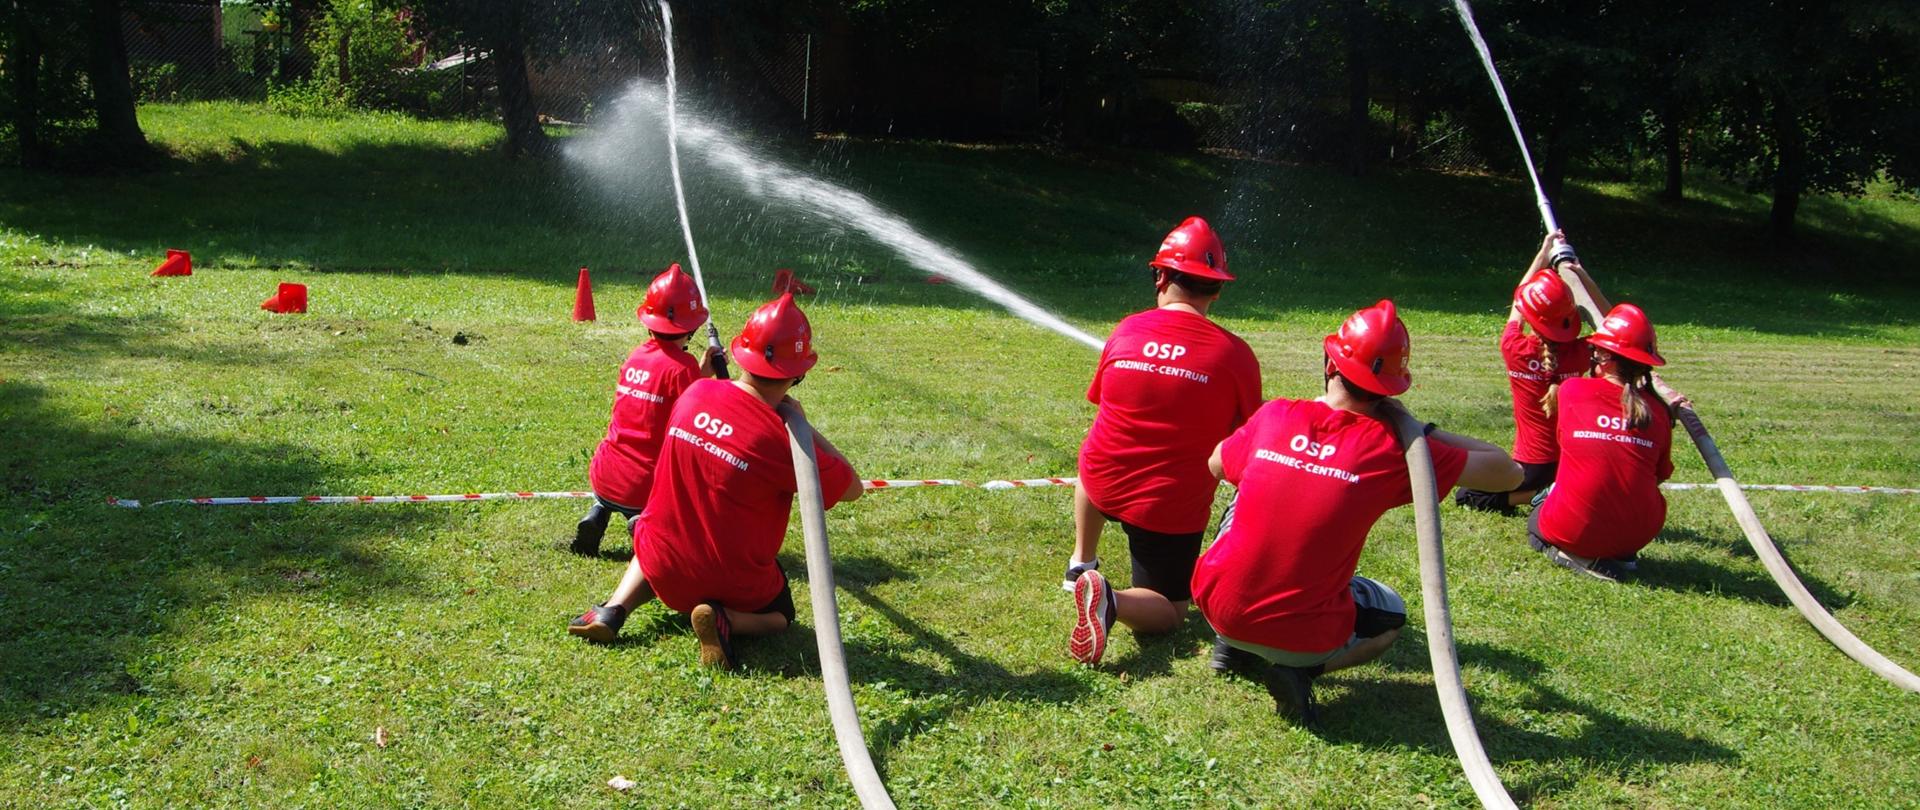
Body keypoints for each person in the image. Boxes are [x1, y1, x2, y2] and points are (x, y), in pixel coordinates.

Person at [1190, 300, 1523, 723]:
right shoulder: (1391, 451)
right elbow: (1507, 473)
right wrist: (1420, 432)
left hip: (1213, 604)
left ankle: (1231, 644)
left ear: (1330, 363)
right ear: (1393, 388)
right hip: (1297, 635)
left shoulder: (1276, 415)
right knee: (1391, 616)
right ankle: (1304, 668)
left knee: (1245, 489)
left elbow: (1217, 464)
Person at [568, 293, 863, 670]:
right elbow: (853, 487)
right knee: (783, 613)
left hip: (663, 567)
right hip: (731, 582)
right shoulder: (779, 441)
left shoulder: (694, 391)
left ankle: (613, 609)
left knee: (658, 531)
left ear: (742, 354)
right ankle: (726, 619)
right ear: (798, 373)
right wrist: (802, 427)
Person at [1066, 216, 1263, 666]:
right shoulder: (1234, 354)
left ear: (1160, 276)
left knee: (1096, 450)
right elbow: (1248, 438)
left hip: (1102, 480)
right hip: (1166, 507)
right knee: (1171, 611)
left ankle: (1082, 561)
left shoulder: (1127, 329)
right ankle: (1111, 602)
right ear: (1217, 290)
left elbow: (1102, 402)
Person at [1529, 302, 1685, 582]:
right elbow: (1659, 475)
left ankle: (1575, 555)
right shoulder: (1658, 412)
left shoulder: (1572, 390)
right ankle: (1619, 553)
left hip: (1575, 525)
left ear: (1603, 356)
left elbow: (1567, 446)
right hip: (1640, 532)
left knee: (1536, 520)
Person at [1455, 231, 1608, 513]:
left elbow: (1518, 301)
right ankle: (1557, 487)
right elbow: (1610, 325)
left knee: (1467, 495)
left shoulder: (1514, 347)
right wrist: (1581, 275)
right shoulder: (1581, 353)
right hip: (1568, 461)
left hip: (1532, 467)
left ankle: (1544, 495)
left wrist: (1543, 252)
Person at [572, 263, 717, 556]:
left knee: (609, 495)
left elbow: (661, 393)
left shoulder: (637, 355)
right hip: (642, 486)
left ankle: (597, 513)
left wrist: (700, 370)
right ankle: (642, 524)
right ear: (691, 326)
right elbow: (692, 411)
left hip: (604, 473)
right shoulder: (683, 367)